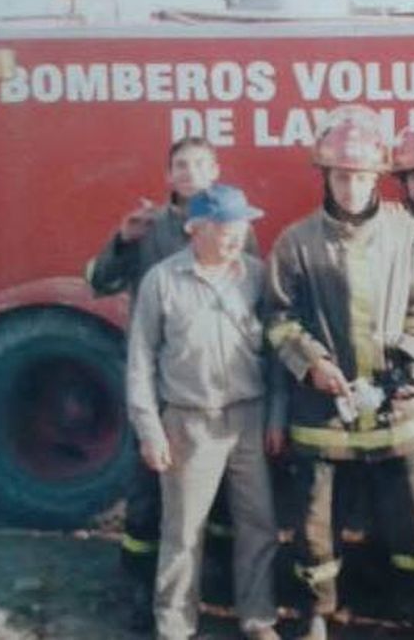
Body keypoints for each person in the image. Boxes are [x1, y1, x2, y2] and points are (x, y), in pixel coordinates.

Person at [265, 106, 414, 640]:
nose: (352, 187)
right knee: (316, 515)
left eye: (361, 176)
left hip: (396, 402)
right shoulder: (296, 242)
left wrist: (411, 356)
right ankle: (316, 610)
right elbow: (277, 318)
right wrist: (311, 365)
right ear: (326, 176)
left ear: (377, 177)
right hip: (323, 407)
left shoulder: (406, 235)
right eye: (342, 176)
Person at [85, 137, 253, 629]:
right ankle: (141, 584)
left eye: (199, 163)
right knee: (149, 494)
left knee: (219, 497)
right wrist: (121, 238)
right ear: (168, 176)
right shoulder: (148, 227)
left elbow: (254, 293)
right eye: (180, 164)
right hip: (162, 388)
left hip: (220, 387)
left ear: (216, 169)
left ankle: (215, 581)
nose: (189, 171)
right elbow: (99, 281)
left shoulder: (237, 223)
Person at [125, 184, 279, 640]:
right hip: (189, 423)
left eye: (242, 226)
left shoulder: (256, 275)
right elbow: (140, 362)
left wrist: (276, 419)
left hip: (249, 419)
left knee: (259, 527)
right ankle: (174, 625)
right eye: (226, 227)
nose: (237, 235)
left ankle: (258, 618)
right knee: (183, 533)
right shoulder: (162, 281)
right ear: (197, 229)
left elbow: (276, 354)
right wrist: (150, 430)